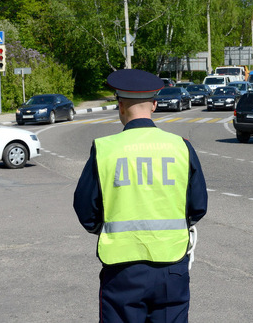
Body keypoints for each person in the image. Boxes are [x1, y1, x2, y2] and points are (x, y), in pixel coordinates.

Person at [73, 68, 208, 323]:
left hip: (122, 268)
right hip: (172, 265)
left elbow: (85, 209)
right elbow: (198, 207)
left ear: (120, 106)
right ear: (155, 105)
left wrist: (106, 228)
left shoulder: (105, 149)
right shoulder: (181, 147)